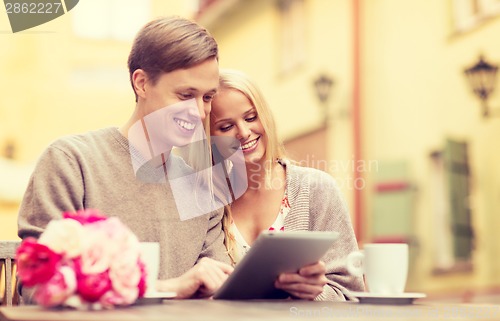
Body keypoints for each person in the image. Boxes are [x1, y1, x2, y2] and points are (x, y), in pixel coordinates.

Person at [17, 16, 233, 301]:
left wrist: (284, 283)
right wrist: (167, 288)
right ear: (141, 83)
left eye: (207, 98)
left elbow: (220, 291)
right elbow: (39, 286)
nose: (198, 111)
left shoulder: (203, 187)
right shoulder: (71, 162)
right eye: (185, 95)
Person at [209, 69, 365, 301]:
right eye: (225, 127)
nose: (243, 132)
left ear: (265, 116)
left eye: (251, 117)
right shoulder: (209, 202)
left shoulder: (317, 189)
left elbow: (352, 294)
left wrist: (314, 293)